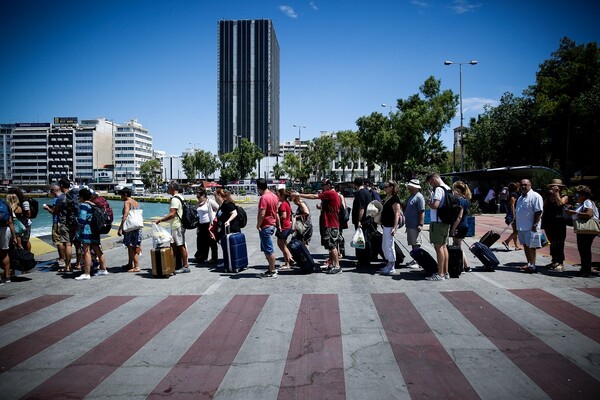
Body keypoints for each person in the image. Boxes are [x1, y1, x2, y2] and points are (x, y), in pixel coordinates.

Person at [295, 179, 342, 274]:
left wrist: (299, 195)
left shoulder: (330, 193)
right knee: (330, 245)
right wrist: (321, 207)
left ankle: (337, 266)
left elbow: (313, 196)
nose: (322, 187)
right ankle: (332, 264)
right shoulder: (332, 194)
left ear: (329, 185)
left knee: (331, 245)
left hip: (330, 223)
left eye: (323, 185)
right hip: (330, 222)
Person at [154, 181, 189, 274]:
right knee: (174, 245)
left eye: (168, 188)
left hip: (177, 225)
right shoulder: (181, 197)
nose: (167, 189)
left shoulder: (174, 199)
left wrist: (160, 220)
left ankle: (185, 266)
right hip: (178, 224)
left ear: (172, 188)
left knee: (180, 245)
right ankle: (174, 264)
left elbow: (172, 214)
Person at [73, 188, 108, 280]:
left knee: (86, 251)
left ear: (82, 196)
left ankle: (86, 273)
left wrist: (76, 222)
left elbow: (81, 219)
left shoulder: (84, 205)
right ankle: (103, 269)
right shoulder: (94, 204)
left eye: (79, 196)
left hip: (87, 230)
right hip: (95, 230)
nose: (78, 198)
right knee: (98, 250)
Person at [566, 185, 599, 277]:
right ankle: (585, 268)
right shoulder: (583, 203)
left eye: (576, 195)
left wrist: (574, 212)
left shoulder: (587, 202)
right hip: (584, 230)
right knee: (584, 249)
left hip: (586, 229)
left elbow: (589, 214)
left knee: (584, 249)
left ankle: (586, 270)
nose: (574, 197)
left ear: (583, 195)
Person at [425, 173, 451, 281]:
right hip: (445, 221)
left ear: (434, 178)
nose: (431, 185)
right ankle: (445, 272)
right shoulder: (448, 188)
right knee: (444, 247)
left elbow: (435, 205)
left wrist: (428, 202)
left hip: (437, 222)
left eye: (431, 182)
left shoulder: (439, 190)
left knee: (438, 247)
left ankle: (440, 274)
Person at [515, 178, 544, 273]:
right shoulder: (520, 197)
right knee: (525, 246)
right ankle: (529, 263)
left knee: (532, 247)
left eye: (525, 185)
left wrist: (535, 225)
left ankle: (533, 266)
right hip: (521, 227)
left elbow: (539, 211)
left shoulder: (535, 196)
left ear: (530, 185)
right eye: (522, 185)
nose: (523, 186)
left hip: (531, 227)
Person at [541, 179, 569, 271]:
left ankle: (560, 262)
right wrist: (550, 195)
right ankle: (554, 261)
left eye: (557, 187)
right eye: (553, 187)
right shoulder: (548, 196)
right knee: (552, 243)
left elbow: (560, 203)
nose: (555, 188)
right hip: (549, 222)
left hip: (559, 222)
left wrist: (557, 194)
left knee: (559, 243)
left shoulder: (564, 196)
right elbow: (543, 206)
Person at [256, 178, 279, 278]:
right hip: (272, 224)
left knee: (269, 249)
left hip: (266, 225)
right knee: (266, 248)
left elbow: (262, 213)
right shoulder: (274, 196)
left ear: (258, 187)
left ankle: (273, 270)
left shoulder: (264, 198)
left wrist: (258, 224)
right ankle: (270, 268)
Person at [379, 180, 402, 275]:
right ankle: (389, 263)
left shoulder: (395, 199)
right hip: (386, 225)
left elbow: (397, 213)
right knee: (385, 245)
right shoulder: (389, 197)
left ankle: (392, 265)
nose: (384, 188)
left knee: (389, 245)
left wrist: (395, 227)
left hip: (390, 225)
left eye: (386, 186)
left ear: (391, 187)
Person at [117, 187, 142, 273]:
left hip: (130, 228)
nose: (121, 197)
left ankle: (137, 266)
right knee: (132, 245)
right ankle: (129, 264)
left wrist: (120, 228)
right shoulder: (135, 202)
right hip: (137, 227)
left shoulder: (127, 202)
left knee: (131, 246)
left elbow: (125, 215)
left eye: (121, 195)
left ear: (125, 195)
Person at [52, 178, 75, 272]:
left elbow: (55, 212)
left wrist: (49, 209)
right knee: (77, 244)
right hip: (75, 222)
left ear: (61, 186)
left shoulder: (61, 198)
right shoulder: (74, 195)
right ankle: (78, 264)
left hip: (65, 223)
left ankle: (68, 266)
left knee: (67, 244)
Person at [451, 181, 472, 272]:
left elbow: (459, 217)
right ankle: (466, 266)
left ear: (458, 190)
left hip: (460, 225)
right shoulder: (466, 200)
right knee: (458, 246)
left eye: (454, 190)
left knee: (457, 247)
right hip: (465, 225)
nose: (453, 192)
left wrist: (453, 229)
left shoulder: (459, 201)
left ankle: (464, 266)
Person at [404, 179, 425, 269]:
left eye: (410, 186)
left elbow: (422, 211)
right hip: (410, 224)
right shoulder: (412, 196)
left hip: (415, 224)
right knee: (413, 243)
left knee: (416, 243)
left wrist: (421, 224)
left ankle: (418, 261)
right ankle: (416, 259)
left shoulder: (419, 197)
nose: (408, 187)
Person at [195, 189, 219, 264]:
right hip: (201, 224)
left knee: (211, 241)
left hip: (209, 224)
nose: (198, 198)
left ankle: (214, 258)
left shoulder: (209, 201)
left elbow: (218, 209)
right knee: (201, 241)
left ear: (204, 195)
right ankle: (202, 256)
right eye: (197, 196)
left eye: (199, 196)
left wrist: (214, 218)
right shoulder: (198, 203)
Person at [43, 185, 64, 267]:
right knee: (64, 241)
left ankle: (62, 259)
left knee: (59, 242)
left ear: (53, 191)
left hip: (57, 222)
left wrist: (47, 208)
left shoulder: (56, 199)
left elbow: (55, 212)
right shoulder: (63, 197)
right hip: (63, 222)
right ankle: (64, 258)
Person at [275, 188, 294, 270]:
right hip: (287, 226)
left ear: (282, 196)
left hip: (284, 227)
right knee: (284, 244)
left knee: (281, 245)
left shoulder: (283, 204)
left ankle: (287, 262)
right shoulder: (287, 203)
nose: (277, 196)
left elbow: (284, 216)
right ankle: (289, 259)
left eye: (278, 195)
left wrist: (276, 216)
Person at [8, 188, 31, 252]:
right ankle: (25, 255)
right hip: (20, 224)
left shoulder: (24, 202)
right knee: (23, 241)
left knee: (24, 241)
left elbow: (28, 215)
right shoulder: (16, 203)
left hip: (23, 224)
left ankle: (27, 254)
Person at [0, 199, 17, 284]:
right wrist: (14, 236)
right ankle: (7, 277)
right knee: (4, 253)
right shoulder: (5, 203)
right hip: (5, 229)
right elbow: (10, 222)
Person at [501, 182, 522, 251]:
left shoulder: (511, 194)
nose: (520, 188)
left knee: (515, 230)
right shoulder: (514, 194)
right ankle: (506, 241)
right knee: (517, 231)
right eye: (519, 187)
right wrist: (514, 216)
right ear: (516, 188)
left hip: (511, 213)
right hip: (512, 214)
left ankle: (516, 246)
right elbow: (512, 205)